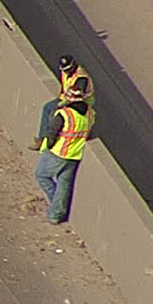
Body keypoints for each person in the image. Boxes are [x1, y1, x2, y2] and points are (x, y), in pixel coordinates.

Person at [33, 81, 94, 224]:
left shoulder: (64, 114)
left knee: (41, 175)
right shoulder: (90, 113)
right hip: (75, 155)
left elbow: (52, 132)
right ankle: (55, 215)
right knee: (64, 185)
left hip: (58, 152)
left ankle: (56, 208)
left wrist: (47, 146)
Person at [30, 55, 95, 150]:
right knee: (47, 107)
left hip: (81, 101)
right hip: (66, 97)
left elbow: (77, 94)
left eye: (68, 69)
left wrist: (63, 103)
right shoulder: (65, 72)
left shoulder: (81, 78)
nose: (65, 71)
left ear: (73, 66)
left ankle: (51, 140)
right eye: (64, 69)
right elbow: (65, 85)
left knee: (55, 112)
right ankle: (42, 138)